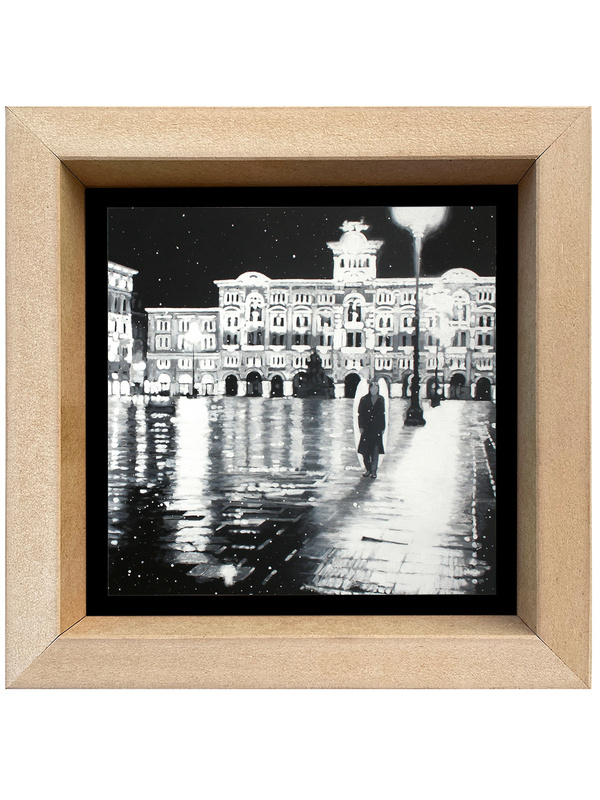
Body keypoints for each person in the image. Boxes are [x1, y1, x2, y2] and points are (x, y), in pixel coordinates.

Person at [357, 381, 386, 479]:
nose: (374, 390)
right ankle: (368, 469)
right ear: (369, 389)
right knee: (365, 451)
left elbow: (382, 414)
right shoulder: (364, 399)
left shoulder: (381, 399)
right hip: (367, 428)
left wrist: (383, 427)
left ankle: (374, 470)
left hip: (376, 428)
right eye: (372, 388)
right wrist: (361, 426)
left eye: (376, 388)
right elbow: (360, 414)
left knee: (375, 450)